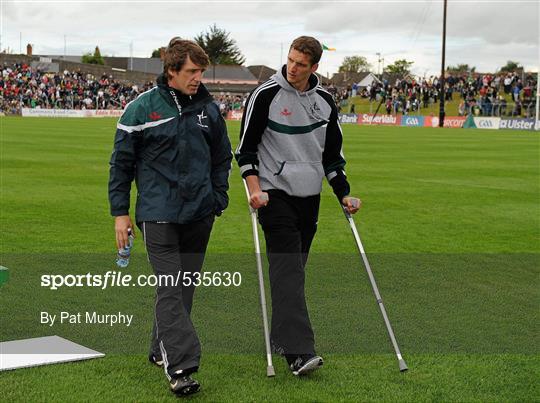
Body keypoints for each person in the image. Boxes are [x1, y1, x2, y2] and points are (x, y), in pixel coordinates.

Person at [108, 37, 232, 396]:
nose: (197, 78)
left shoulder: (208, 110)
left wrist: (217, 197)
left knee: (183, 288)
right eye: (191, 72)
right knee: (170, 286)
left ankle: (158, 349)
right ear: (171, 70)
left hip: (199, 213)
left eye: (200, 71)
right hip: (158, 213)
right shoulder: (140, 109)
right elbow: (121, 165)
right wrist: (120, 213)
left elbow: (222, 157)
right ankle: (181, 365)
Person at [235, 36, 360, 376]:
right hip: (274, 196)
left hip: (310, 199)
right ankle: (299, 352)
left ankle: (281, 336)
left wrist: (344, 194)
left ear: (315, 67)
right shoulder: (265, 95)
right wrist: (255, 189)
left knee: (293, 273)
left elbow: (333, 157)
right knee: (288, 269)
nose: (292, 67)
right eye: (290, 60)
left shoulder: (325, 102)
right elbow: (246, 151)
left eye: (301, 64)